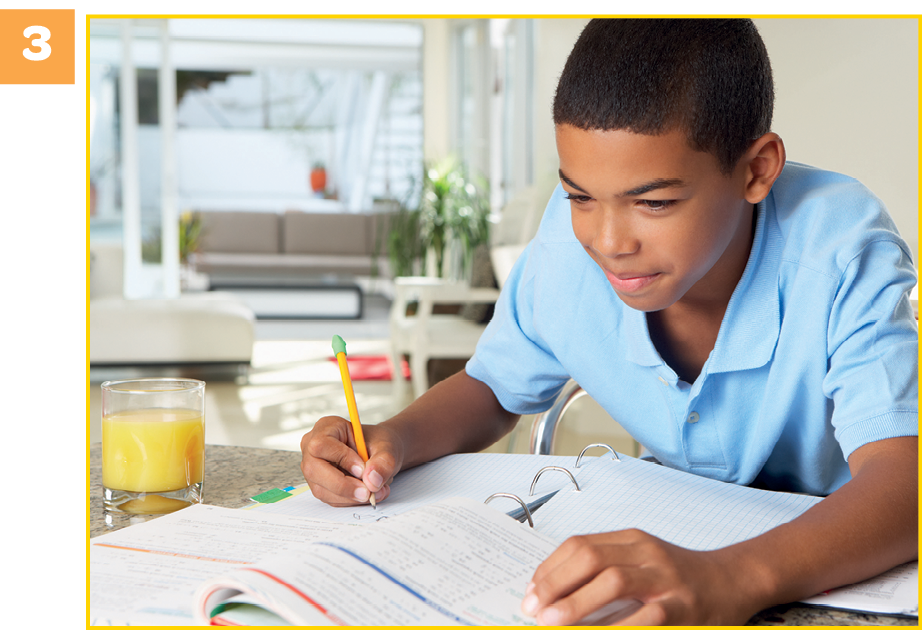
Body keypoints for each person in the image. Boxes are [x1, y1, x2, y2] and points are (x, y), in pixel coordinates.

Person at [300, 18, 918, 625]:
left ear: (756, 170)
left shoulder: (840, 247)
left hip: (841, 569)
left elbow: (906, 481)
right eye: (579, 197)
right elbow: (494, 386)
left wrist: (734, 577)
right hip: (677, 532)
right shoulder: (571, 244)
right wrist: (393, 439)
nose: (607, 239)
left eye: (654, 203)